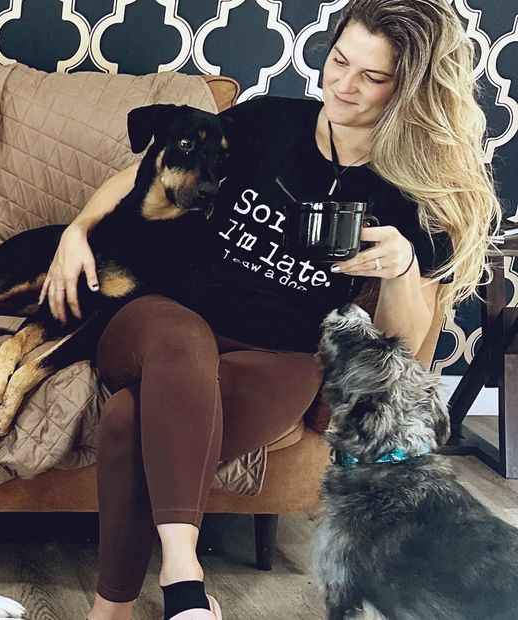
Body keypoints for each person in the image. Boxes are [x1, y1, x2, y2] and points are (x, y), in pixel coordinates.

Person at [38, 2, 501, 619]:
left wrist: (402, 270)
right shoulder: (266, 124)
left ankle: (111, 609)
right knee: (182, 338)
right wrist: (78, 230)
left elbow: (402, 348)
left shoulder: (410, 194)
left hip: (283, 354)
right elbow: (136, 174)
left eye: (372, 77)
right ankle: (184, 578)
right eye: (339, 61)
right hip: (160, 319)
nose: (342, 85)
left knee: (128, 419)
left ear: (408, 90)